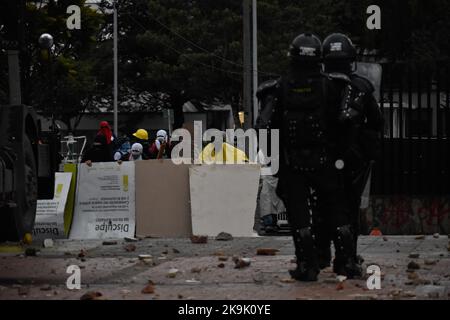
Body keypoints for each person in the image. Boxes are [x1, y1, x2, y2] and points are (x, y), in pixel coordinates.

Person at [256, 33, 357, 281]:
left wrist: (275, 161)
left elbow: (263, 125)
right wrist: (341, 156)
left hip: (293, 162)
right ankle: (348, 263)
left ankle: (307, 266)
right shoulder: (332, 85)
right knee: (337, 211)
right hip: (325, 159)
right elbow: (345, 122)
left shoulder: (279, 87)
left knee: (299, 215)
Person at [316, 33, 384, 274]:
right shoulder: (361, 87)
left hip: (323, 158)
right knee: (348, 209)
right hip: (351, 161)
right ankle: (346, 258)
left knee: (322, 207)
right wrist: (364, 151)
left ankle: (321, 255)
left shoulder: (316, 86)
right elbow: (376, 122)